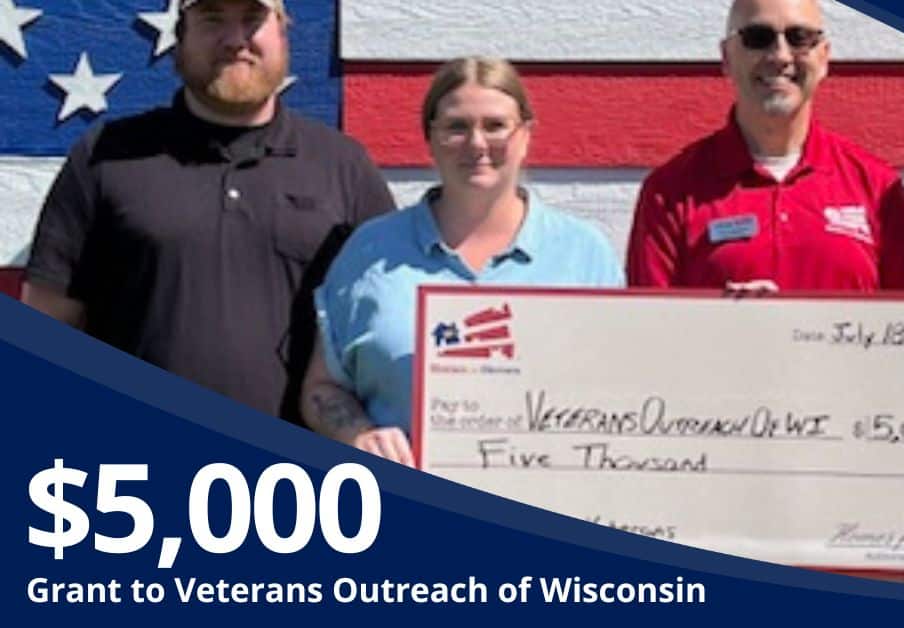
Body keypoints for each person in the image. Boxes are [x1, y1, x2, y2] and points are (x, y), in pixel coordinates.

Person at [22, 0, 395, 423]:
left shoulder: (343, 166)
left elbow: (386, 331)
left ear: (282, 33)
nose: (235, 40)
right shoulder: (106, 156)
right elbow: (48, 327)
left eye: (253, 20)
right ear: (180, 36)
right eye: (213, 19)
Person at [301, 56, 623, 464]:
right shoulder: (370, 253)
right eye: (456, 127)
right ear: (430, 138)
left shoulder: (583, 254)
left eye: (495, 125)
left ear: (525, 136)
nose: (477, 144)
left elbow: (620, 390)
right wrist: (359, 435)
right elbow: (322, 389)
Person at [625, 0, 904, 292]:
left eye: (799, 37)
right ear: (727, 58)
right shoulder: (670, 193)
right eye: (758, 37)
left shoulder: (877, 188)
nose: (780, 56)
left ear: (824, 57)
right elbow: (650, 333)